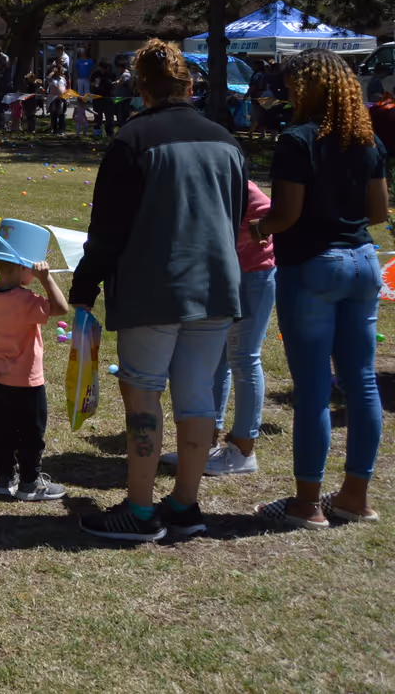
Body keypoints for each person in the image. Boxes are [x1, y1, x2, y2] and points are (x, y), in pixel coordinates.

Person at [70, 39, 247, 543]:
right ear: (189, 85)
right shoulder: (228, 141)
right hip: (215, 286)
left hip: (154, 288)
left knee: (143, 393)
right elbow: (232, 219)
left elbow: (106, 230)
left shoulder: (133, 140)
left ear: (140, 87)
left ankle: (141, 511)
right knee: (197, 398)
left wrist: (85, 288)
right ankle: (186, 505)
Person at [249, 48, 387, 528]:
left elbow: (286, 215)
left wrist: (259, 229)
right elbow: (378, 213)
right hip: (364, 262)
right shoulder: (366, 139)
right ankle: (354, 495)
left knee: (311, 389)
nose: (285, 90)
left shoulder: (297, 140)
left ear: (308, 87)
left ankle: (306, 503)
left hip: (312, 266)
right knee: (362, 382)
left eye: (291, 84)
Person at [161, 181, 274, 478]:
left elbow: (276, 214)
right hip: (225, 277)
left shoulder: (240, 184)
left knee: (244, 358)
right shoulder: (205, 180)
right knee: (220, 358)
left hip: (252, 276)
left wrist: (257, 232)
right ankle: (208, 442)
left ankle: (243, 450)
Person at [0, 252, 70, 501]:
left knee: (3, 429)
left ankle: (4, 479)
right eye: (31, 266)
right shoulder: (26, 300)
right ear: (21, 269)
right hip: (26, 381)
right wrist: (46, 279)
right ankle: (30, 484)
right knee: (32, 433)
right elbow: (61, 308)